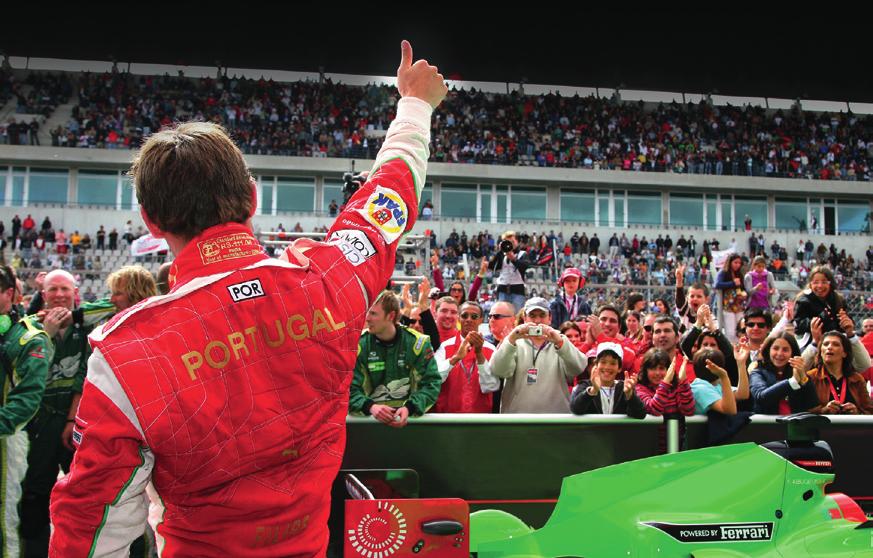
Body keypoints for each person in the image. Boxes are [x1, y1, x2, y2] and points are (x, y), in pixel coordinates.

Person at [49, 40, 448, 557]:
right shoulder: (328, 281)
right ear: (253, 197)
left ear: (150, 221)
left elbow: (89, 531)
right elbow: (388, 198)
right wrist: (415, 104)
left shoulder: (126, 353)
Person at [0, 265, 53, 556]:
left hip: (7, 441)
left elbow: (27, 401)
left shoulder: (29, 337)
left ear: (10, 294)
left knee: (5, 522)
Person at [349, 291, 442, 424]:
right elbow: (347, 388)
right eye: (367, 312)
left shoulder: (418, 344)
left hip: (409, 424)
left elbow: (431, 384)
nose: (367, 318)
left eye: (373, 313)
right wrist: (370, 407)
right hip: (368, 425)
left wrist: (410, 408)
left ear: (391, 315)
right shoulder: (359, 345)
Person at [490, 297, 587, 413]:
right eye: (532, 316)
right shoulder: (514, 341)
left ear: (550, 318)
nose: (537, 321)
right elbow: (499, 370)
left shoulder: (560, 340)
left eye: (542, 315)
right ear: (525, 318)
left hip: (555, 419)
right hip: (518, 419)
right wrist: (511, 340)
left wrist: (561, 344)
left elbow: (578, 367)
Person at [433, 301, 498, 413]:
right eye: (464, 315)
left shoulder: (491, 349)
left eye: (474, 316)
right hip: (447, 418)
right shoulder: (445, 346)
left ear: (481, 320)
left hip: (480, 419)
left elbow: (491, 387)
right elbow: (435, 379)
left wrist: (479, 354)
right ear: (459, 318)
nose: (469, 319)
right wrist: (456, 358)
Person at [804, 331, 873, 414]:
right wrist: (823, 410)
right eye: (825, 344)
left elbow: (869, 411)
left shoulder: (857, 379)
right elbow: (801, 410)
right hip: (822, 427)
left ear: (844, 353)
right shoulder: (811, 377)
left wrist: (857, 412)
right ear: (821, 352)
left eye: (836, 344)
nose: (829, 347)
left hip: (851, 426)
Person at [749, 333, 818, 415]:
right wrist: (792, 382)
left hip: (795, 425)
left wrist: (803, 377)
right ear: (768, 350)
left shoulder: (797, 371)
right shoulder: (758, 372)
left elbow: (812, 404)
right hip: (767, 426)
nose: (779, 353)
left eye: (785, 350)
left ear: (792, 353)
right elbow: (761, 397)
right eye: (775, 348)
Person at [569, 342, 645, 417]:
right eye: (603, 362)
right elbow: (575, 409)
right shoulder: (584, 386)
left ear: (619, 368)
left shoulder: (625, 388)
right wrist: (593, 390)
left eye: (613, 363)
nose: (607, 367)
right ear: (596, 365)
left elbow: (640, 414)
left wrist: (630, 395)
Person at [793, 265, 845, 348]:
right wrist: (820, 319)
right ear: (810, 284)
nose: (820, 286)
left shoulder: (838, 299)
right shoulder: (803, 300)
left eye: (824, 282)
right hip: (809, 341)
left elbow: (844, 322)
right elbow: (799, 325)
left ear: (830, 283)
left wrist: (845, 323)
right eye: (815, 282)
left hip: (835, 341)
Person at [488, 230, 531, 312]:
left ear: (517, 242)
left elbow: (524, 267)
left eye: (513, 241)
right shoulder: (502, 254)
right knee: (502, 314)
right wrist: (499, 251)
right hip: (503, 288)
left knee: (517, 314)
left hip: (517, 289)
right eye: (508, 242)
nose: (511, 244)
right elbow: (492, 267)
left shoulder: (523, 254)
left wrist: (513, 259)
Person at [715, 253, 747, 343]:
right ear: (730, 262)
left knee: (740, 330)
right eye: (735, 262)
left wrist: (744, 294)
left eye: (739, 263)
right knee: (730, 332)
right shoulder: (723, 272)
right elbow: (717, 284)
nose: (737, 265)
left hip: (739, 306)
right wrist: (732, 283)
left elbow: (743, 288)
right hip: (728, 306)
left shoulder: (739, 274)